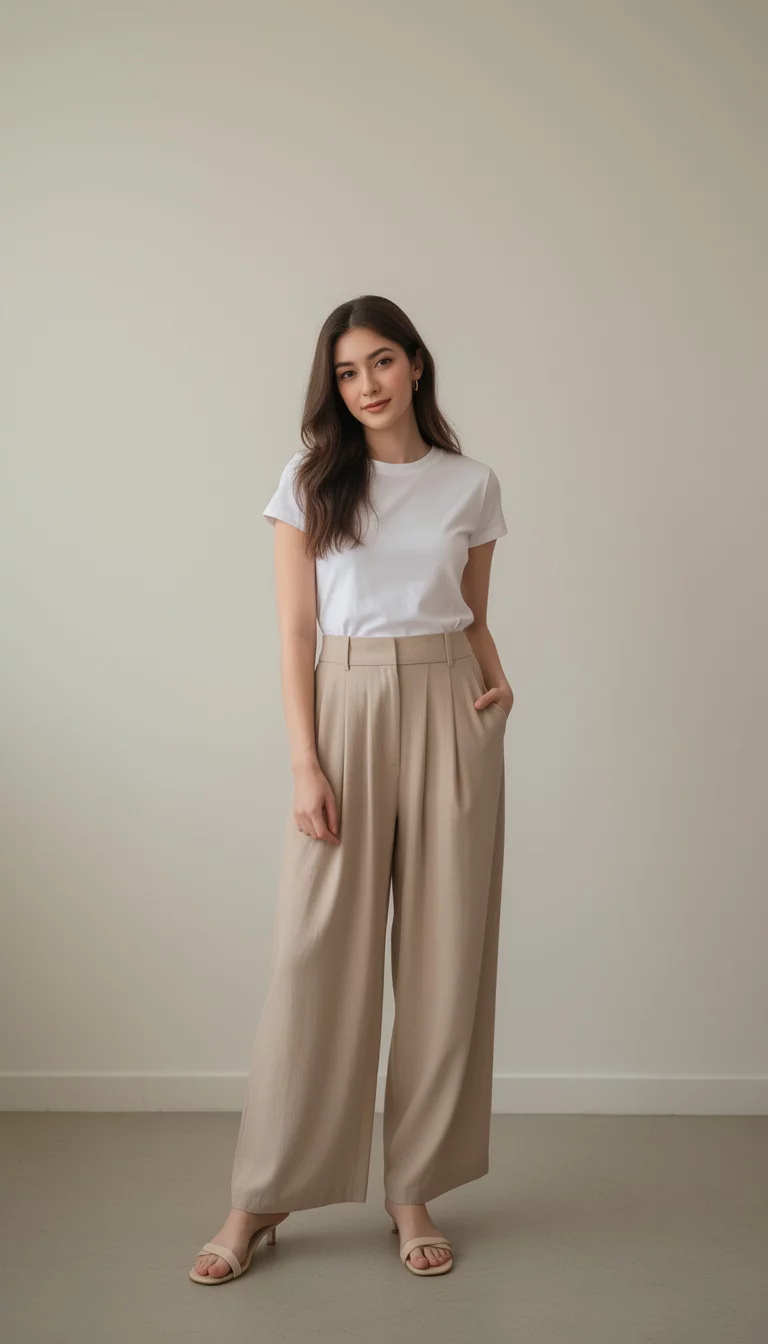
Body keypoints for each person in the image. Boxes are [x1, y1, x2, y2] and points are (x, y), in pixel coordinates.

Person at [190, 294, 512, 1284]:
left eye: (380, 362)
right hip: (344, 705)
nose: (365, 385)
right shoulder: (311, 480)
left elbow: (467, 615)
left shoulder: (472, 483)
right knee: (314, 953)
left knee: (445, 956)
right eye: (345, 372)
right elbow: (295, 634)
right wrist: (304, 760)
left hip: (452, 709)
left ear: (416, 365)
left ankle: (411, 1187)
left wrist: (497, 682)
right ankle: (262, 1196)